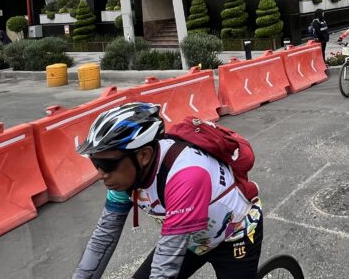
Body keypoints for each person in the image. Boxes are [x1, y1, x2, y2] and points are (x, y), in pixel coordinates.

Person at [73, 103, 263, 279]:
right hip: (192, 240)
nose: (101, 174)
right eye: (96, 163)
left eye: (107, 164)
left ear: (144, 155)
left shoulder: (187, 175)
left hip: (235, 237)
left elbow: (164, 269)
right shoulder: (125, 179)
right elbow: (103, 238)